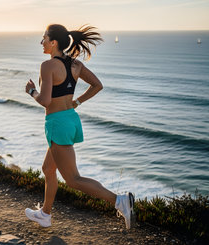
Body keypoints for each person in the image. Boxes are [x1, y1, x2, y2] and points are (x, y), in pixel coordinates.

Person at [24, 24, 135, 229]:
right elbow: (97, 85)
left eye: (44, 38)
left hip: (57, 122)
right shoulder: (75, 65)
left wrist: (31, 92)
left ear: (53, 42)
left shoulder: (47, 66)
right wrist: (77, 102)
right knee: (48, 168)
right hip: (70, 119)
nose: (42, 42)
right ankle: (45, 214)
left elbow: (46, 100)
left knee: (73, 179)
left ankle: (120, 201)